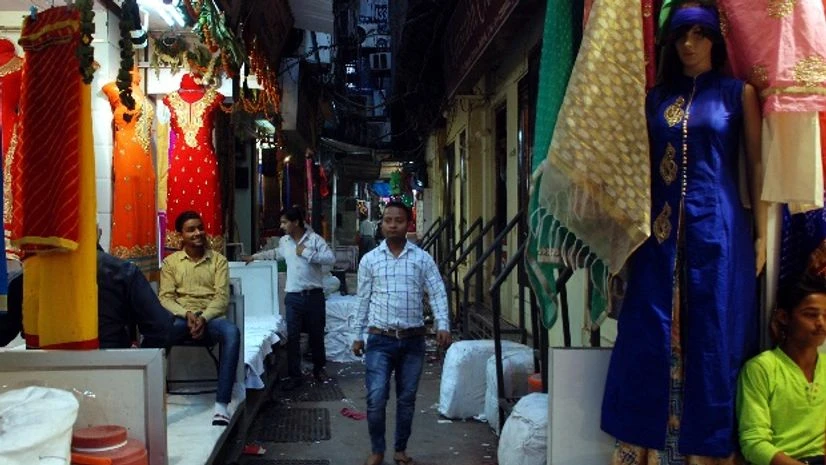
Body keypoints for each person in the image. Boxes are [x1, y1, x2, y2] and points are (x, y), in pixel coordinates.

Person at [601, 2, 764, 463]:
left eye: (699, 34)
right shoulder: (656, 99)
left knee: (714, 331)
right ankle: (647, 448)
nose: (689, 44)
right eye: (680, 36)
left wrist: (759, 234)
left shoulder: (737, 95)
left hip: (719, 230)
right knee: (650, 331)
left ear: (715, 39)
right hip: (659, 235)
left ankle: (706, 451)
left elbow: (755, 165)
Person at [351, 201, 451, 465]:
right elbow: (362, 299)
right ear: (381, 224)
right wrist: (357, 334)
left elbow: (438, 291)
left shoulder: (421, 258)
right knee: (375, 398)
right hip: (379, 339)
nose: (393, 225)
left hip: (413, 340)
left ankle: (400, 450)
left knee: (406, 399)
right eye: (388, 220)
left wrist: (443, 325)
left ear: (408, 224)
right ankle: (377, 449)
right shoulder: (370, 260)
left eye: (398, 220)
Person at [159, 210, 240, 426]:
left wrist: (203, 318)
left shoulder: (219, 261)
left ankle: (221, 406)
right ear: (180, 236)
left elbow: (221, 298)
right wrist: (187, 315)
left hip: (211, 319)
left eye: (200, 227)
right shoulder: (170, 263)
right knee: (156, 336)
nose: (198, 233)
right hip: (182, 318)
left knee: (232, 332)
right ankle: (153, 399)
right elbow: (165, 298)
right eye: (191, 229)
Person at [736, 274, 826, 465]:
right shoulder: (762, 369)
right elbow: (754, 443)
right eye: (811, 314)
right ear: (784, 317)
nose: (821, 324)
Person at [244, 206, 336, 389]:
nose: (282, 225)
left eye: (285, 222)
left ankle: (319, 369)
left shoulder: (315, 239)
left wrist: (307, 253)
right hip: (293, 297)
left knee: (316, 335)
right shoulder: (285, 241)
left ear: (296, 222)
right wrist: (254, 257)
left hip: (314, 296)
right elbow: (276, 254)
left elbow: (330, 259)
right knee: (292, 337)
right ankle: (295, 376)